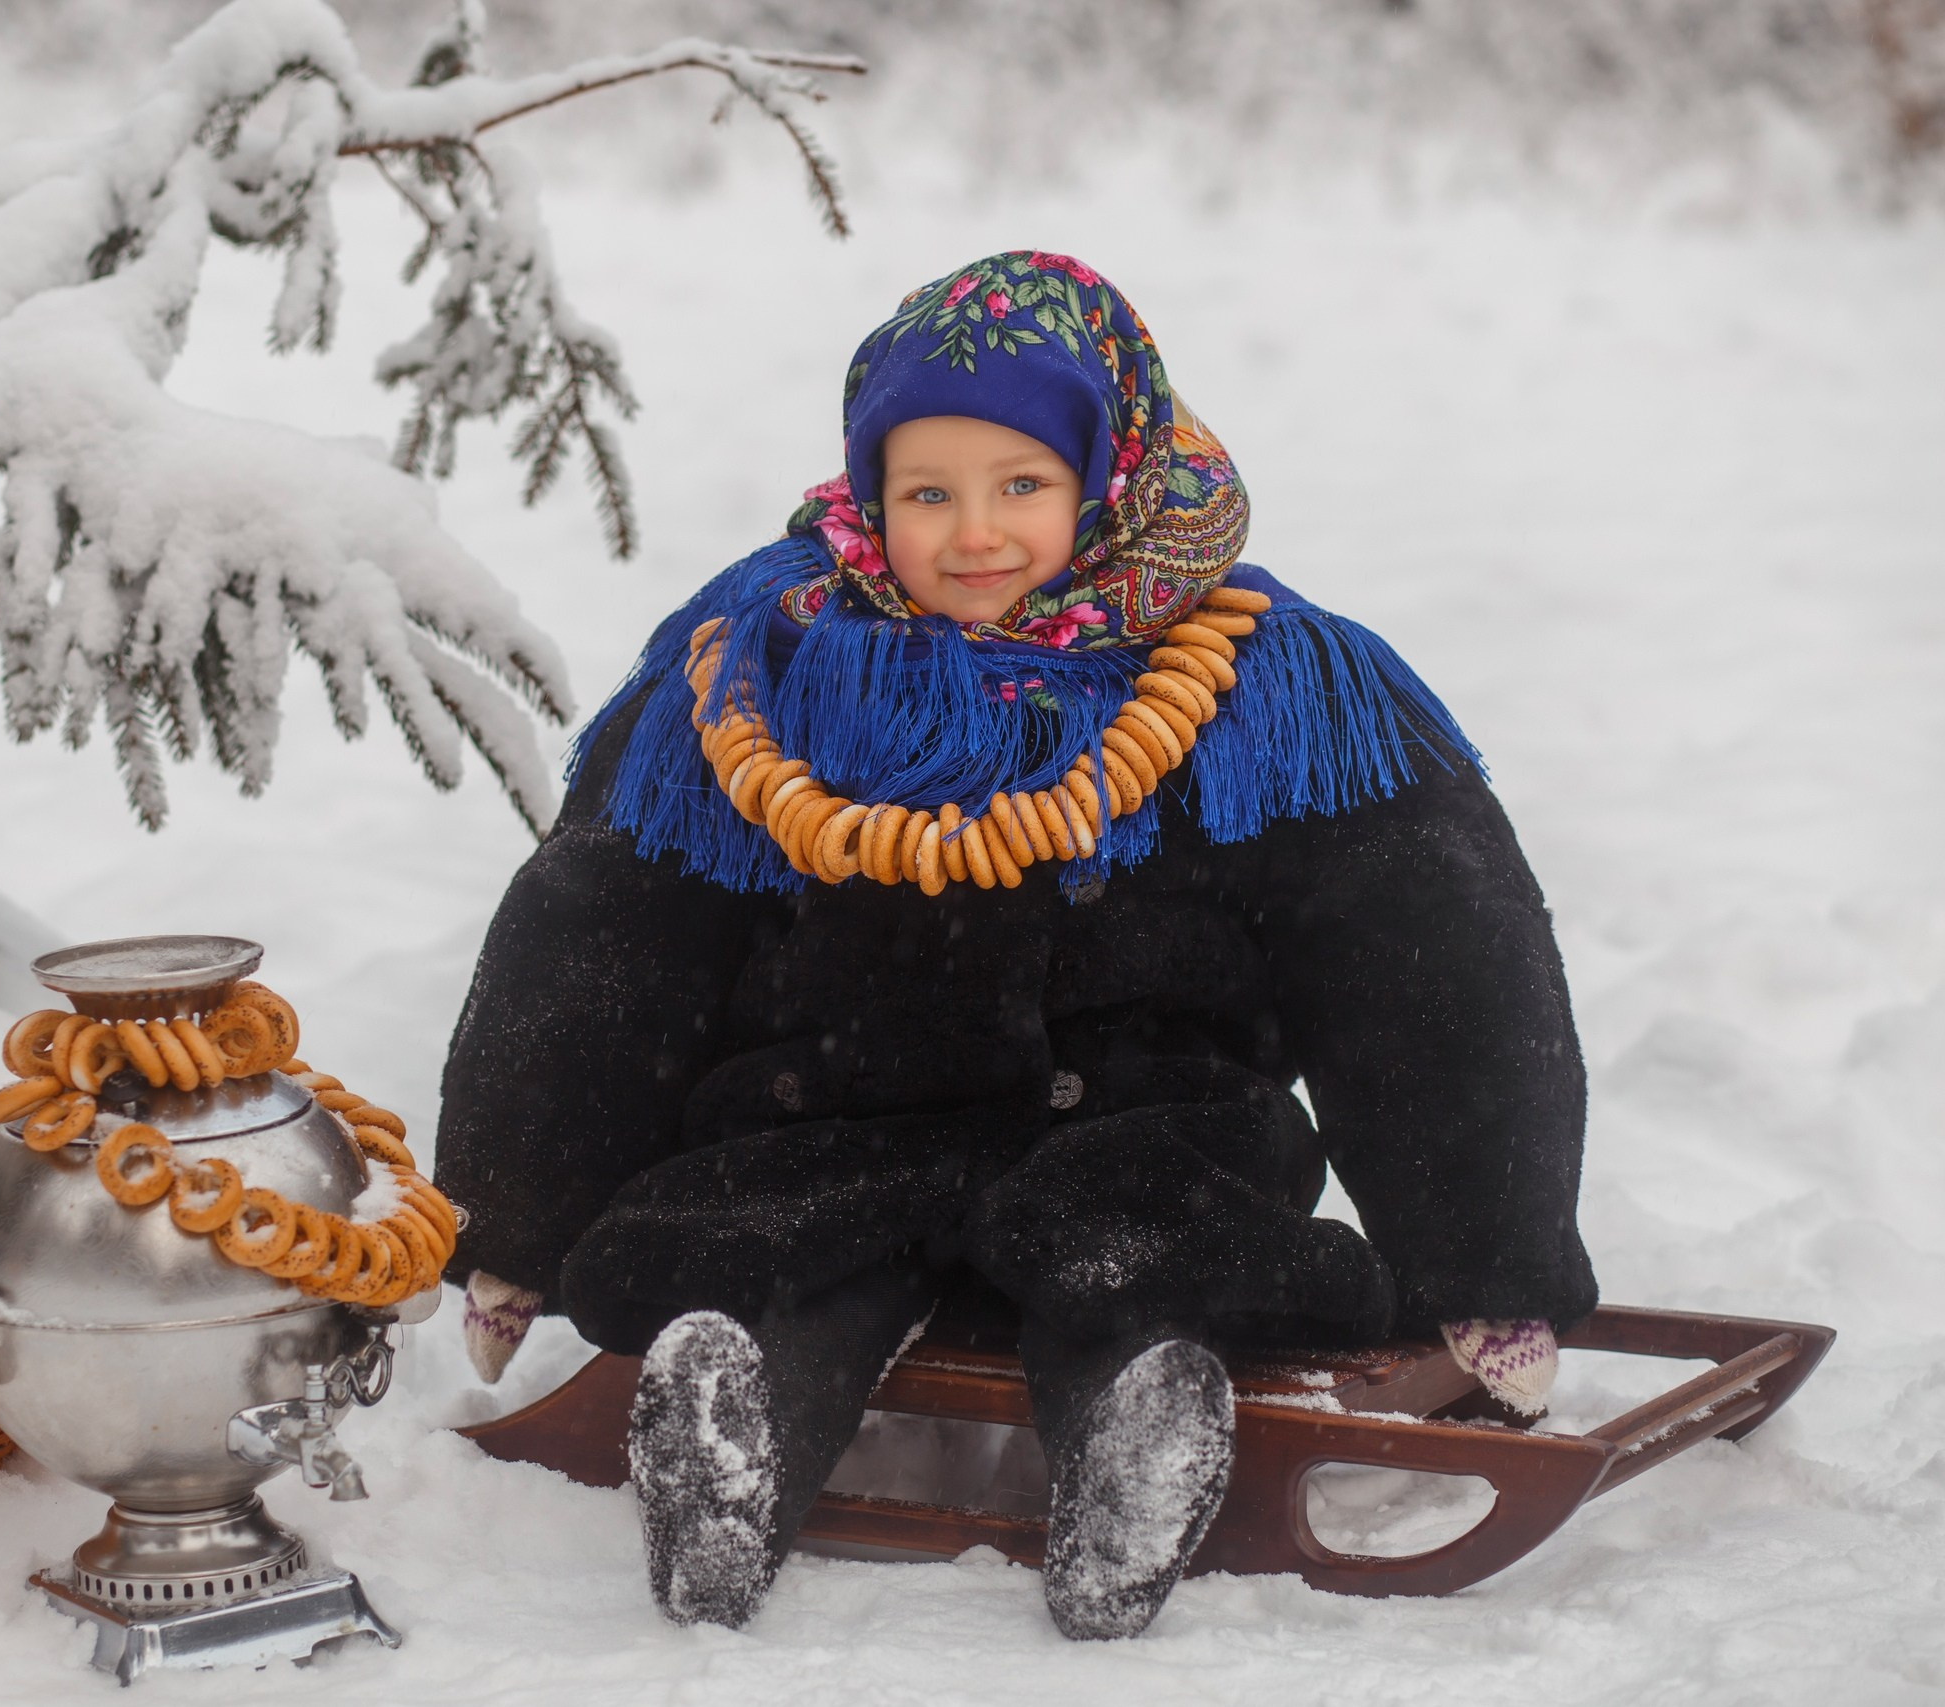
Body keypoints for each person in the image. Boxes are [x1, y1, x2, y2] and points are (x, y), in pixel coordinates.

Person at [434, 251, 1597, 1639]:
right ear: (872, 493)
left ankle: (1139, 1438)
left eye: (1022, 488)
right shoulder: (765, 663)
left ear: (1107, 471)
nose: (973, 535)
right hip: (837, 1111)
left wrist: (1489, 1262)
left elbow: (1428, 960)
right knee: (765, 1245)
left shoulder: (1275, 680)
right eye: (926, 494)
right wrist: (518, 1207)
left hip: (1145, 1126)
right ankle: (727, 1433)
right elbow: (611, 931)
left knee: (1144, 1252)